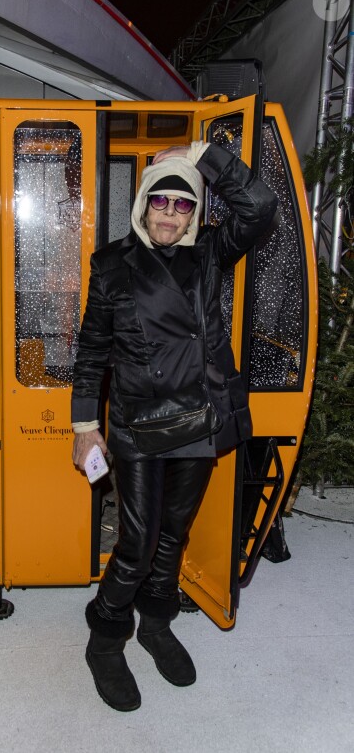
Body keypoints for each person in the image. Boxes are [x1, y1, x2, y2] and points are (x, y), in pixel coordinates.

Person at [71, 141, 278, 711]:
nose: (169, 213)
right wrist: (85, 425)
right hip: (139, 425)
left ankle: (156, 623)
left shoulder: (211, 252)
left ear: (194, 213)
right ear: (142, 204)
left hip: (201, 420)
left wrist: (204, 152)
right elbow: (91, 349)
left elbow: (259, 207)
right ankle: (105, 639)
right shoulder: (112, 264)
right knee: (136, 544)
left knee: (174, 535)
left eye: (182, 204)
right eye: (159, 200)